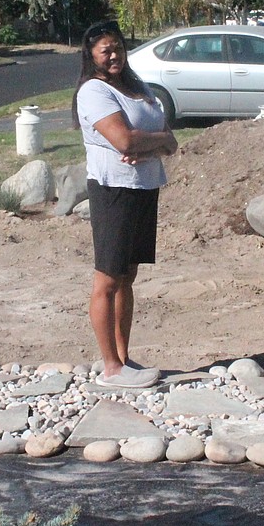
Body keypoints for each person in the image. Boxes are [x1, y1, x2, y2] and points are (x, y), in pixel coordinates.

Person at [73, 20, 177, 388]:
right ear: (92, 56)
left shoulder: (136, 87)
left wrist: (149, 140)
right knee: (107, 277)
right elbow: (124, 142)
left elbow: (170, 140)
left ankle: (124, 358)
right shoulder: (94, 92)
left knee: (128, 275)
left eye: (118, 46)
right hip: (113, 188)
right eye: (106, 50)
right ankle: (110, 369)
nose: (114, 54)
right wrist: (150, 141)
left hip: (143, 186)